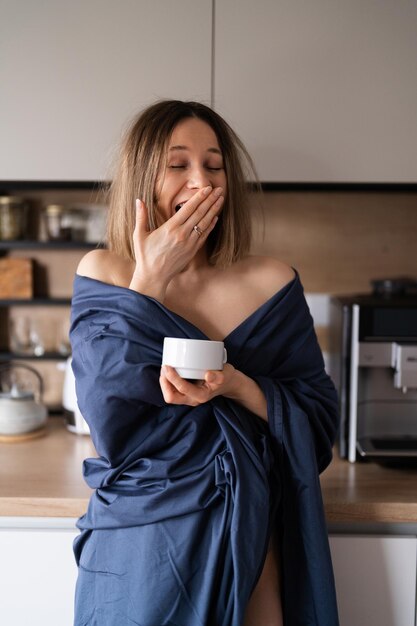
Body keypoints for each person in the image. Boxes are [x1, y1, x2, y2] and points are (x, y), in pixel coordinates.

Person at [70, 100, 340, 626]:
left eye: (214, 166)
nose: (201, 181)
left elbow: (319, 419)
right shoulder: (103, 272)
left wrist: (237, 386)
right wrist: (147, 284)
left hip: (251, 534)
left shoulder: (271, 282)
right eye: (178, 165)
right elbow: (108, 425)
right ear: (142, 177)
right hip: (141, 540)